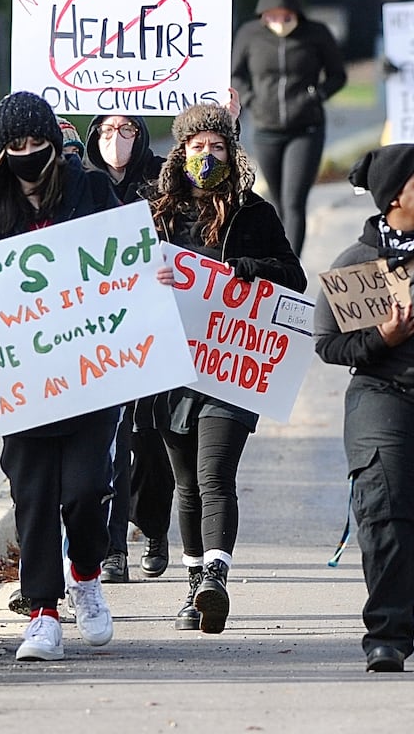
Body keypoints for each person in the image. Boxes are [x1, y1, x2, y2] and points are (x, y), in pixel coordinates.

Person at [0, 90, 122, 662]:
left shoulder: (92, 191)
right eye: (15, 145)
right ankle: (43, 613)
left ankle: (86, 573)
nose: (27, 154)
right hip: (19, 385)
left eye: (36, 143)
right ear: (1, 152)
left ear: (55, 143)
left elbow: (124, 260)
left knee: (84, 490)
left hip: (89, 377)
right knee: (32, 496)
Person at [150, 104, 307, 634]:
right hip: (173, 368)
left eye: (217, 147)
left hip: (230, 366)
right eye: (198, 147)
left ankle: (216, 573)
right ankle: (193, 586)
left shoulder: (253, 213)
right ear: (182, 152)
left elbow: (295, 277)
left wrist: (247, 269)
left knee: (217, 475)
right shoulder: (158, 213)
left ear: (232, 151)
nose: (207, 155)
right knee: (186, 484)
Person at [314, 143, 414, 672]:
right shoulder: (358, 263)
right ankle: (388, 635)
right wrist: (383, 337)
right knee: (389, 518)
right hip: (386, 401)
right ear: (396, 195)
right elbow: (329, 346)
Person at [84, 112, 173, 581]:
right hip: (101, 329)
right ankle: (112, 546)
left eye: (127, 130)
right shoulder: (80, 181)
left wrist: (229, 126)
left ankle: (153, 525)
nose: (115, 140)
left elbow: (222, 190)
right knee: (112, 441)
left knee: (150, 435)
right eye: (105, 130)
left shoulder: (163, 176)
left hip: (154, 324)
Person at [230, 0, 346, 254]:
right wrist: (250, 100)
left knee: (294, 202)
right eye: (272, 16)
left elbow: (338, 75)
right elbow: (237, 73)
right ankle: (278, 258)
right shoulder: (249, 35)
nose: (280, 22)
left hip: (305, 129)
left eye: (286, 16)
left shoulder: (316, 34)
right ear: (262, 14)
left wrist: (316, 95)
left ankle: (291, 268)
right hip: (265, 128)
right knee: (278, 202)